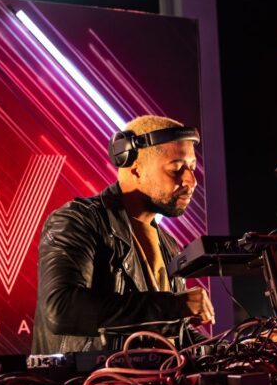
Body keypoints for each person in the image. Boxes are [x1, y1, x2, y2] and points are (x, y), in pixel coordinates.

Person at [31, 115, 214, 354]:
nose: (191, 180)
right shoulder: (78, 221)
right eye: (177, 168)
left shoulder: (168, 244)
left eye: (191, 168)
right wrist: (174, 306)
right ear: (134, 168)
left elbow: (173, 334)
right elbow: (62, 308)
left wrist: (237, 347)